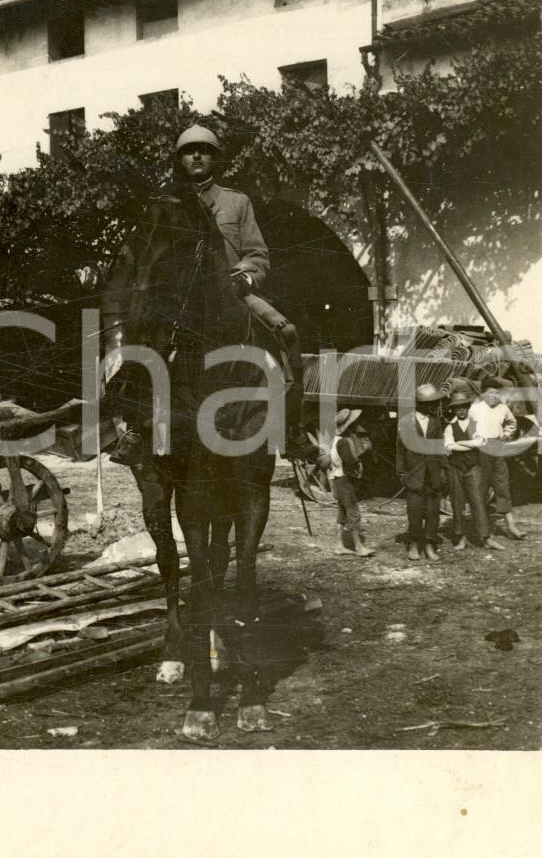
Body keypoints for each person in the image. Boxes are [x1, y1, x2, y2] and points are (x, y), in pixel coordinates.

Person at [111, 124, 317, 465]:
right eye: (189, 151)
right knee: (143, 344)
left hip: (231, 294)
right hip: (177, 302)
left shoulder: (237, 202)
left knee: (287, 334)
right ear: (180, 159)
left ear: (215, 159)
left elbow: (257, 255)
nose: (196, 155)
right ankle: (135, 430)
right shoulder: (166, 204)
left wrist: (245, 279)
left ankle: (292, 429)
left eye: (203, 150)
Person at [443, 390, 504, 551]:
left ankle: (486, 538)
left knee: (478, 502)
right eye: (457, 408)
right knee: (457, 503)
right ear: (453, 410)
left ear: (468, 407)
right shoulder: (450, 427)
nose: (461, 410)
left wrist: (460, 444)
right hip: (456, 468)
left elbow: (480, 443)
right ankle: (460, 537)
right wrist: (470, 443)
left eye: (464, 407)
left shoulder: (478, 424)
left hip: (473, 468)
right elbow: (449, 446)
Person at [395, 383, 447, 562]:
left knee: (433, 511)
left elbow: (440, 447)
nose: (432, 406)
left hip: (432, 474)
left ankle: (430, 544)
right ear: (419, 403)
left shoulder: (436, 421)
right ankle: (415, 544)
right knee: (415, 511)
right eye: (429, 403)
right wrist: (401, 473)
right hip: (414, 474)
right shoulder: (405, 422)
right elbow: (400, 449)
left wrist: (444, 470)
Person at [468, 379, 525, 540]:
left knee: (502, 486)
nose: (495, 396)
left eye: (497, 393)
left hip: (497, 448)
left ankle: (511, 526)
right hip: (481, 449)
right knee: (481, 488)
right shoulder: (475, 408)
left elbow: (512, 423)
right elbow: (467, 428)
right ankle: (483, 529)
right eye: (491, 393)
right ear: (483, 393)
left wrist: (506, 435)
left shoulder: (503, 408)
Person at [328, 408, 373, 557]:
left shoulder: (335, 440)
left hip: (336, 479)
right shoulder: (344, 442)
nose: (356, 425)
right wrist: (361, 458)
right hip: (345, 481)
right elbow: (350, 461)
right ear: (349, 426)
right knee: (353, 511)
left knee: (342, 513)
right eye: (354, 423)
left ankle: (339, 545)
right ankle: (359, 547)